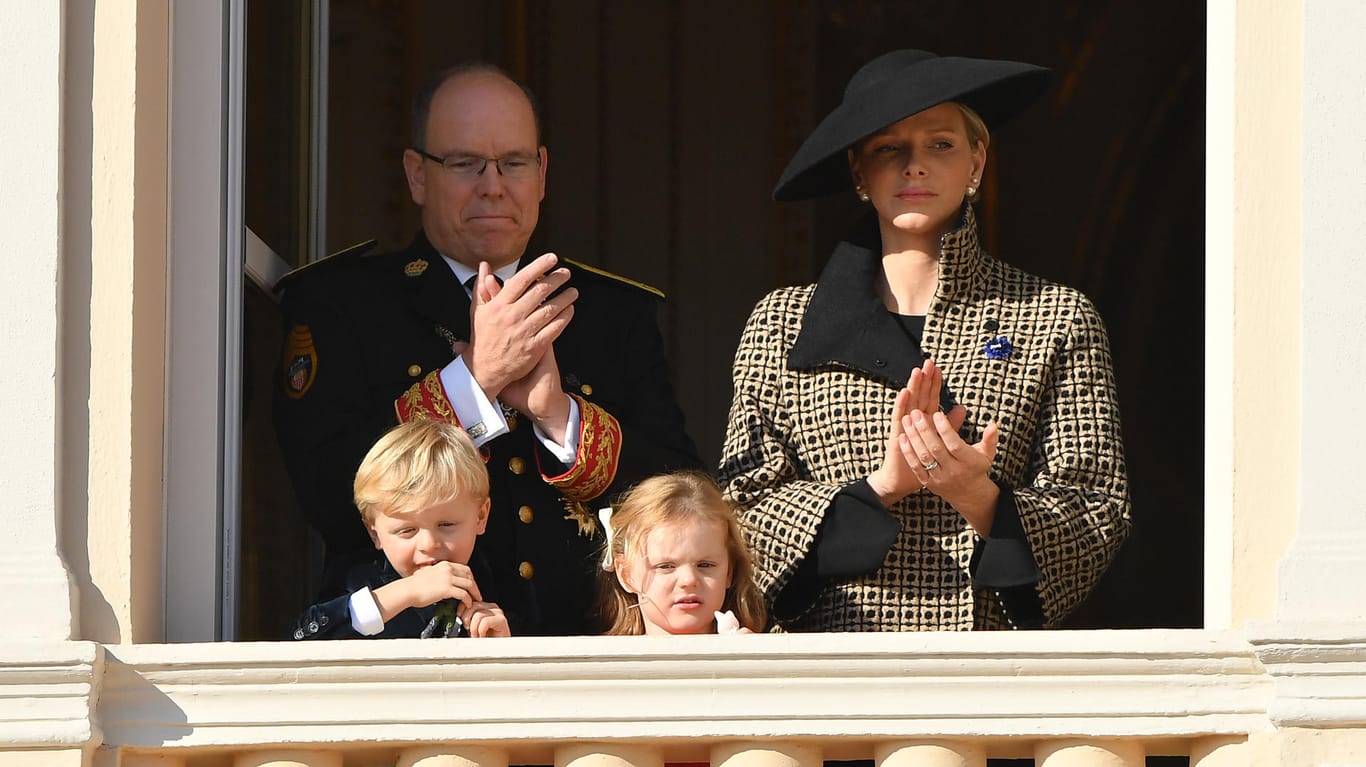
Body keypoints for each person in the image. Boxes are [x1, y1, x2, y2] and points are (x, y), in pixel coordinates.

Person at [274, 63, 701, 636]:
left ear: (543, 172)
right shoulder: (342, 304)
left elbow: (686, 501)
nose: (493, 184)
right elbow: (328, 492)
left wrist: (559, 417)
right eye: (464, 163)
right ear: (417, 175)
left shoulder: (610, 312)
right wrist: (474, 380)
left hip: (587, 650)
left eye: (514, 163)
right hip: (418, 657)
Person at [718, 49, 1131, 632]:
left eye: (941, 144)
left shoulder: (1057, 318)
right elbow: (738, 512)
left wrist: (979, 497)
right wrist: (884, 485)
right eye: (890, 148)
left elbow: (1096, 508)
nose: (916, 166)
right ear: (859, 171)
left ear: (977, 163)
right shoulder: (780, 322)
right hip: (824, 671)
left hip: (989, 677)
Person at [291, 420, 509, 639]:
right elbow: (302, 638)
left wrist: (505, 647)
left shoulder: (499, 580)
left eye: (446, 525)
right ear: (375, 533)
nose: (429, 544)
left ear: (481, 517)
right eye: (407, 530)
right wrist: (407, 592)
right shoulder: (354, 578)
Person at [598, 472, 766, 635]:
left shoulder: (757, 658)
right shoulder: (602, 662)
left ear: (729, 571)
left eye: (705, 565)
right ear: (626, 575)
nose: (689, 580)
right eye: (665, 566)